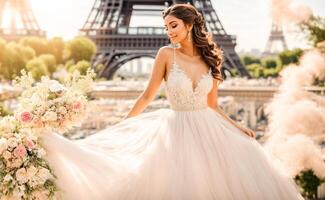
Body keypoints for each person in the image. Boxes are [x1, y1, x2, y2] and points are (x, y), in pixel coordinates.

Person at [42, 3, 305, 200]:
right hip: (176, 128)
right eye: (166, 27)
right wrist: (123, 125)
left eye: (174, 25)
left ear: (189, 25)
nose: (169, 31)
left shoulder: (211, 60)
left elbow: (212, 105)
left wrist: (237, 127)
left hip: (209, 129)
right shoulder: (166, 54)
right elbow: (147, 95)